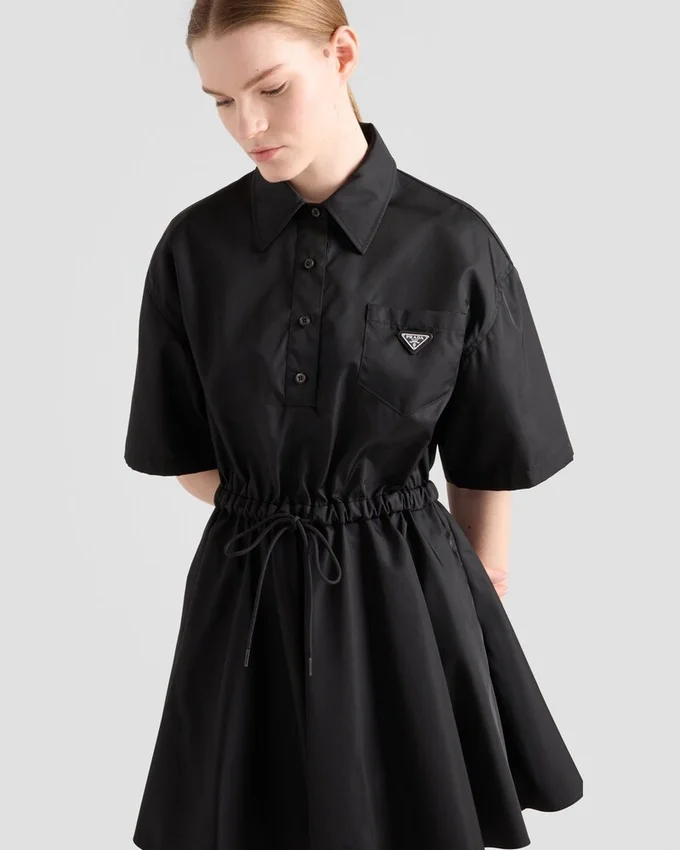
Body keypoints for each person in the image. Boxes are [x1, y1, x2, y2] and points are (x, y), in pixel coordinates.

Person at [123, 2, 583, 848]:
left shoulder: (453, 242)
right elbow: (182, 450)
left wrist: (470, 594)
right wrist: (284, 519)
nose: (247, 126)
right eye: (220, 101)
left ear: (342, 54)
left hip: (409, 592)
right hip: (247, 593)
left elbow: (491, 452)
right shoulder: (194, 248)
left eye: (270, 88)